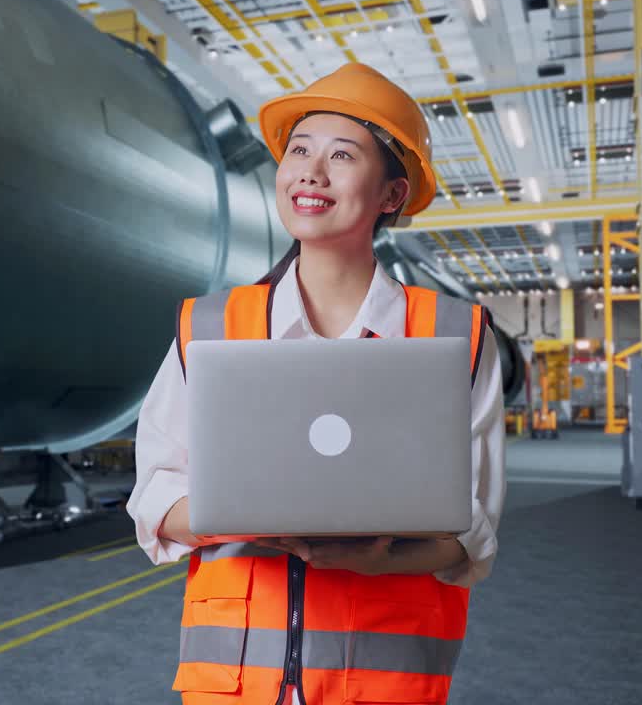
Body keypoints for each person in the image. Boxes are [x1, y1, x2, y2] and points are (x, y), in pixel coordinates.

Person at [128, 62, 506, 705]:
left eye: (341, 155)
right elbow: (155, 499)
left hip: (382, 687)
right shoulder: (212, 326)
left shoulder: (454, 335)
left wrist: (379, 559)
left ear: (392, 194)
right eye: (299, 150)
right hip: (234, 686)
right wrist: (240, 516)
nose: (310, 170)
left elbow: (471, 531)